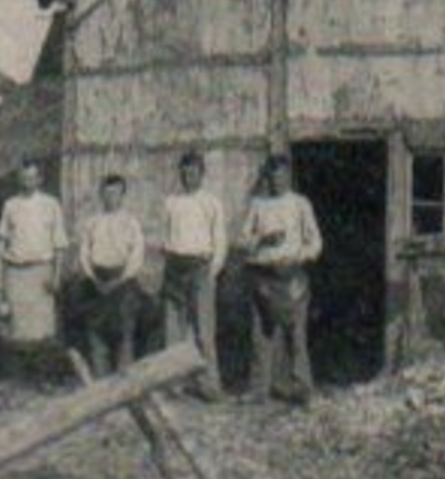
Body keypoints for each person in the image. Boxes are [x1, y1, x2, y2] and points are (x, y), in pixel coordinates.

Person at [237, 153, 322, 404]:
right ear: (267, 178)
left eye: (282, 175)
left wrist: (299, 257)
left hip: (292, 274)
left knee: (296, 333)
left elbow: (316, 242)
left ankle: (303, 388)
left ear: (289, 176)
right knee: (261, 334)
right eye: (273, 176)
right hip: (264, 276)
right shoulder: (257, 205)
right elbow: (241, 242)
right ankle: (259, 389)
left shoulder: (300, 204)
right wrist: (261, 240)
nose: (278, 181)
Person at [160, 150, 227, 401]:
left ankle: (209, 386)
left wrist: (212, 271)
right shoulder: (171, 202)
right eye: (185, 172)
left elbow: (220, 240)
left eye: (194, 172)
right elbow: (165, 237)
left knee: (203, 332)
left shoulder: (211, 203)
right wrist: (168, 258)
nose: (189, 177)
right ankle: (174, 386)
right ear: (180, 174)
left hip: (201, 268)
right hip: (175, 267)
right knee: (173, 331)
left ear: (202, 174)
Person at [76, 173, 145, 378]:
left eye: (115, 193)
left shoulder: (130, 222)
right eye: (106, 193)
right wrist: (93, 278)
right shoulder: (92, 222)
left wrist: (121, 279)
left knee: (124, 332)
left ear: (122, 195)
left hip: (123, 280)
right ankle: (101, 381)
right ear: (100, 195)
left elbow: (137, 255)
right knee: (96, 332)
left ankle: (124, 381)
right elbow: (84, 253)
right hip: (98, 280)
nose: (110, 198)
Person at [0, 159, 68, 350]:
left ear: (40, 179)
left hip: (42, 271)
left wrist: (57, 277)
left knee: (42, 329)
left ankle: (40, 376)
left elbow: (59, 244)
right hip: (16, 273)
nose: (28, 181)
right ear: (19, 179)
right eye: (24, 177)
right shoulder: (10, 205)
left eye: (32, 177)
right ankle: (19, 376)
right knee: (18, 329)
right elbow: (1, 245)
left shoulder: (51, 204)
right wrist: (1, 283)